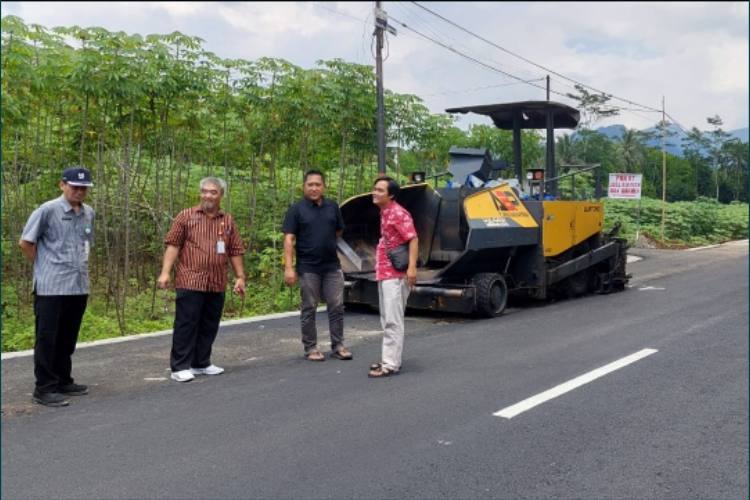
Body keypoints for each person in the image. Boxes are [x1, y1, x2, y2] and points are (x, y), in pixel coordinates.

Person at [19, 166, 95, 407]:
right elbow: (26, 242)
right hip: (51, 286)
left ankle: (63, 379)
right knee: (47, 337)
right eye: (74, 186)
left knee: (67, 337)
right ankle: (44, 388)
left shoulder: (88, 213)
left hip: (78, 284)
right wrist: (43, 265)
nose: (79, 191)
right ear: (62, 184)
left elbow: (86, 243)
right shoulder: (48, 210)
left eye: (83, 188)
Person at [157, 177, 246, 382]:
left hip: (216, 281)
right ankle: (180, 366)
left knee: (209, 323)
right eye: (204, 191)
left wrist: (240, 277)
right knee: (186, 323)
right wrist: (165, 272)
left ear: (221, 195)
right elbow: (173, 245)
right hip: (190, 279)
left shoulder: (228, 221)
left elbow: (235, 251)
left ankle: (201, 363)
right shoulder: (186, 216)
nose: (208, 195)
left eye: (213, 192)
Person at [282, 169, 352, 362]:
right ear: (304, 187)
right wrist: (289, 267)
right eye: (310, 184)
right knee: (309, 307)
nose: (314, 188)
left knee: (337, 306)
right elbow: (289, 239)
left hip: (332, 266)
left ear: (324, 187)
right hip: (308, 267)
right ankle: (310, 347)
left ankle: (338, 345)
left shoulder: (332, 207)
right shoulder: (296, 209)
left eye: (317, 184)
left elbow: (338, 231)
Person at [368, 176, 419, 378]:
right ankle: (389, 358)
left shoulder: (398, 213)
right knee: (386, 319)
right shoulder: (385, 212)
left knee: (393, 320)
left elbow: (413, 239)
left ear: (391, 195)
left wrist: (412, 268)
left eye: (380, 190)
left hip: (396, 275)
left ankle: (390, 364)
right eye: (375, 189)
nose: (375, 192)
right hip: (385, 273)